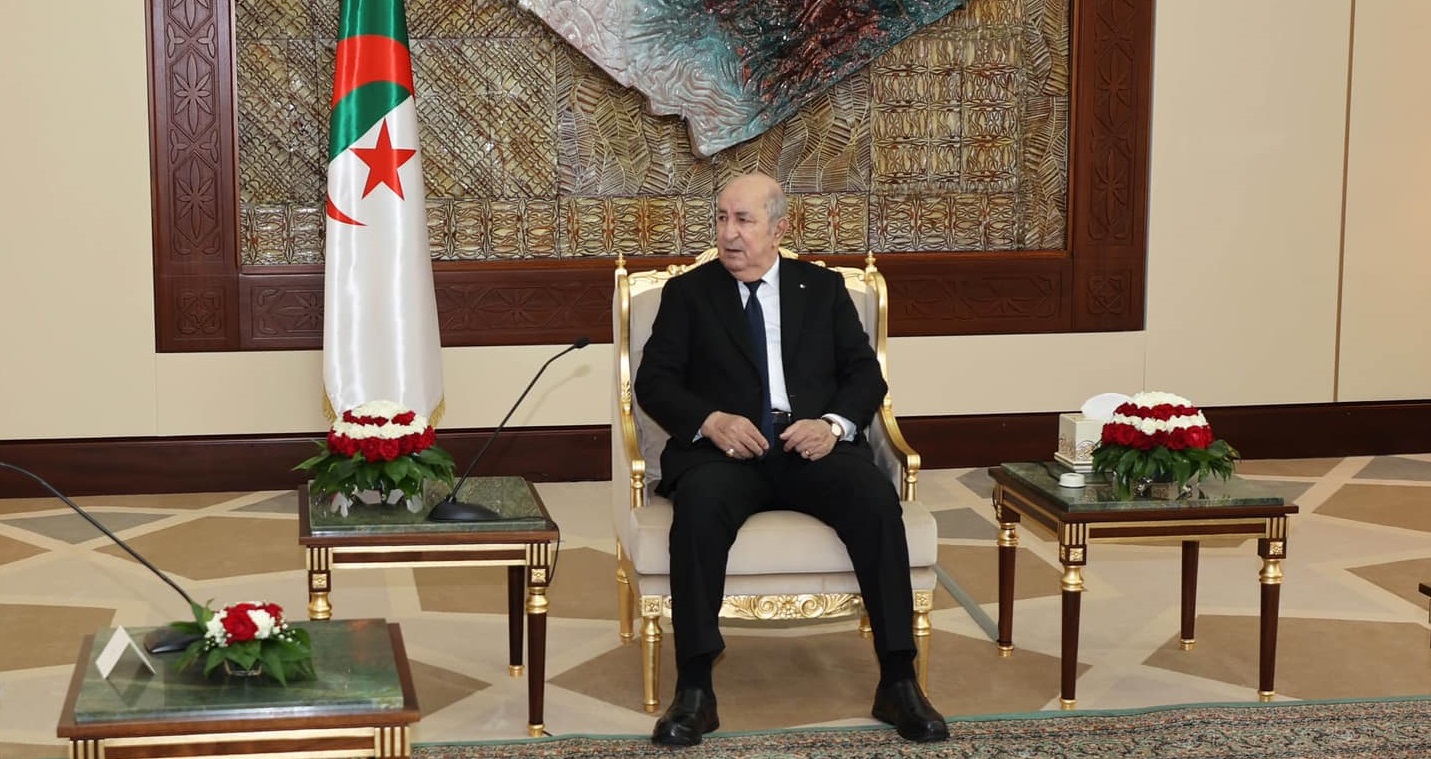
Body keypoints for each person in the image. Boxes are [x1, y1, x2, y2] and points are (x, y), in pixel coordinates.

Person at [633, 172, 949, 746]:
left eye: (744, 220)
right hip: (727, 453)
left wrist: (832, 426)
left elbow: (864, 375)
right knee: (698, 509)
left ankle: (898, 681)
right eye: (722, 219)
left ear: (779, 229)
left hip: (811, 448)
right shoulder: (689, 294)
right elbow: (654, 381)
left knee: (876, 500)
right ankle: (696, 689)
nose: (729, 233)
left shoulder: (822, 290)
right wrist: (711, 421)